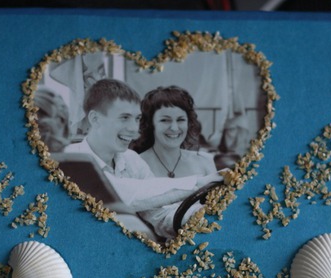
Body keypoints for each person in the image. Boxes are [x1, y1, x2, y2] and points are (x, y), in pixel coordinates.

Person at [63, 79, 221, 235]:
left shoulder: (132, 160)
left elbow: (160, 216)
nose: (133, 129)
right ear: (95, 119)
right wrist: (199, 183)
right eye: (124, 118)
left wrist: (207, 214)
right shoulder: (69, 160)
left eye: (137, 119)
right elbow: (124, 193)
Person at [131, 86, 221, 238]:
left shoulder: (204, 161)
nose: (174, 128)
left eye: (180, 120)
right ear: (150, 124)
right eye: (165, 120)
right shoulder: (136, 165)